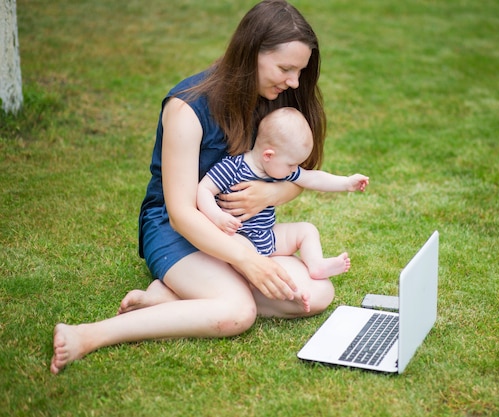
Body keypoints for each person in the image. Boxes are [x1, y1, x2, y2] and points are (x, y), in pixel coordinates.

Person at [51, 0, 337, 374]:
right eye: (286, 69)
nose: (294, 82)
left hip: (241, 232)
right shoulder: (187, 108)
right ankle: (89, 335)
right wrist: (248, 262)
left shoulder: (275, 100)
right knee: (237, 313)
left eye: (299, 71)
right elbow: (182, 213)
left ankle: (168, 298)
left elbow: (298, 175)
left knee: (316, 293)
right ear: (251, 53)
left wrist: (274, 193)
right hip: (177, 230)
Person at [197, 107, 369, 280]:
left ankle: (316, 265)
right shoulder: (232, 167)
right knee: (238, 247)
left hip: (267, 235)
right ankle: (260, 274)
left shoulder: (281, 167)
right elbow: (204, 189)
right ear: (268, 155)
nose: (294, 170)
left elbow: (314, 179)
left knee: (307, 230)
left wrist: (346, 183)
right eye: (291, 165)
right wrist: (217, 216)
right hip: (237, 236)